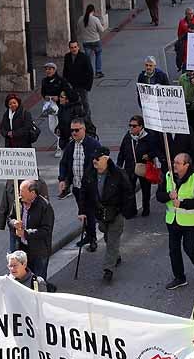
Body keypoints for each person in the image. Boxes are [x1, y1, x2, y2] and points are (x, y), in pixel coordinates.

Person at [5, 250, 48, 359]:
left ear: (24, 264)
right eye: (9, 265)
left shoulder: (38, 282)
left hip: (31, 334)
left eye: (15, 265)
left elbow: (45, 307)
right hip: (13, 332)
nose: (11, 268)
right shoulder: (6, 281)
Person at [158, 152, 194, 290]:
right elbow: (159, 196)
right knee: (173, 250)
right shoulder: (168, 176)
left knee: (189, 248)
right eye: (174, 162)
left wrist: (182, 203)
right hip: (172, 221)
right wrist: (169, 195)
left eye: (178, 163)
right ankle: (179, 277)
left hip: (189, 222)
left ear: (187, 165)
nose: (174, 165)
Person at [89, 147, 134, 282]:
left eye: (97, 159)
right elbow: (86, 192)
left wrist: (125, 210)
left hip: (116, 213)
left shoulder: (118, 173)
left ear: (106, 159)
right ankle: (116, 255)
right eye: (93, 159)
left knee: (112, 239)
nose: (94, 161)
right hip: (101, 214)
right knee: (107, 235)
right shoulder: (91, 173)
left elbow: (128, 191)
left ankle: (108, 269)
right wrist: (83, 211)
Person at [58, 117, 101, 249]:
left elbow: (101, 163)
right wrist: (63, 180)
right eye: (72, 130)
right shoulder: (70, 146)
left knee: (89, 212)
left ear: (84, 129)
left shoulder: (93, 145)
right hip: (77, 186)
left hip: (90, 186)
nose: (74, 133)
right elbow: (64, 164)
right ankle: (88, 234)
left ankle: (93, 238)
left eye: (77, 130)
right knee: (82, 211)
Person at [7, 179, 55, 283]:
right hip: (22, 249)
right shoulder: (18, 202)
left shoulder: (44, 206)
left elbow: (46, 230)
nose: (19, 194)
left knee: (38, 281)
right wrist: (14, 223)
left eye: (22, 192)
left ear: (32, 193)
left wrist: (26, 233)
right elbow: (10, 219)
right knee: (23, 280)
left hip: (39, 251)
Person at [117, 115, 161, 217]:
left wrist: (149, 155)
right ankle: (131, 210)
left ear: (141, 127)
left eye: (134, 126)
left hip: (143, 167)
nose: (131, 128)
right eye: (130, 126)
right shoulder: (128, 137)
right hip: (130, 167)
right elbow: (122, 152)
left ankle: (146, 208)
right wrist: (119, 166)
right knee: (129, 189)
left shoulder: (149, 136)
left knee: (146, 189)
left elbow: (156, 150)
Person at [63, 40, 94, 119]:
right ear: (69, 48)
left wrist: (87, 86)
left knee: (85, 102)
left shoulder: (84, 57)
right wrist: (65, 83)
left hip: (82, 85)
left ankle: (87, 119)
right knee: (72, 102)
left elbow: (90, 72)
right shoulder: (67, 57)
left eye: (75, 47)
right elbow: (65, 71)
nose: (74, 49)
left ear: (78, 47)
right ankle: (74, 117)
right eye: (72, 47)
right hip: (71, 85)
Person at [77, 4, 108, 78]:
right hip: (95, 40)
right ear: (93, 11)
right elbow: (102, 30)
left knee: (88, 58)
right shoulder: (95, 19)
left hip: (86, 41)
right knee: (98, 55)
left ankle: (88, 72)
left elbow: (78, 30)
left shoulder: (80, 19)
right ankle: (98, 71)